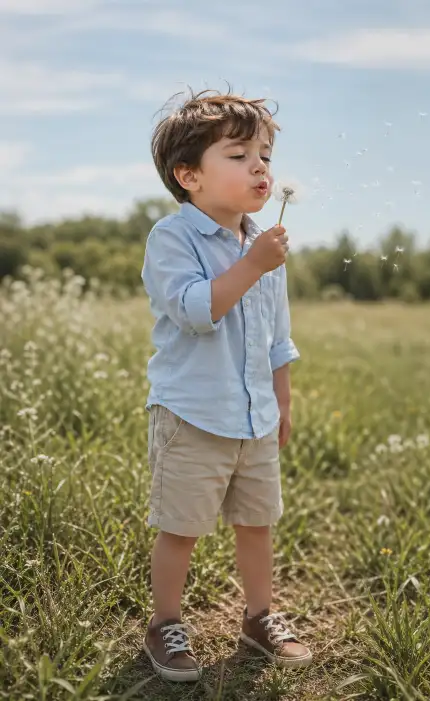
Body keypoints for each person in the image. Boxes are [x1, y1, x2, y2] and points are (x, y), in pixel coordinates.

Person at [140, 87, 312, 682]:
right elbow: (194, 309)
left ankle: (259, 616)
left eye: (264, 154)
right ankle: (165, 623)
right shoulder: (174, 239)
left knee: (258, 522)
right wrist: (253, 264)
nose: (260, 166)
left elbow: (276, 336)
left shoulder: (260, 244)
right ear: (189, 176)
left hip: (255, 416)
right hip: (192, 416)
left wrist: (283, 399)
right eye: (238, 155)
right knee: (181, 527)